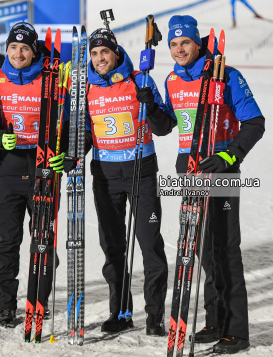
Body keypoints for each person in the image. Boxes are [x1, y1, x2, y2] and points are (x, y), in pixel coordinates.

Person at [160, 15, 265, 353]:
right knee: (202, 249)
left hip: (221, 174)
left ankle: (237, 331)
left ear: (197, 43)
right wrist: (150, 108)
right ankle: (215, 319)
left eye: (185, 43)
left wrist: (229, 157)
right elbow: (169, 125)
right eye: (174, 45)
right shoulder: (172, 81)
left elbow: (255, 123)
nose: (179, 49)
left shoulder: (226, 75)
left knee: (225, 248)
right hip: (190, 174)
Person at [85, 28, 174, 335]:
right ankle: (120, 311)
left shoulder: (140, 80)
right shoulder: (86, 88)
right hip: (105, 176)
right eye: (94, 54)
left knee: (149, 245)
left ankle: (155, 317)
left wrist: (148, 104)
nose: (99, 59)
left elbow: (164, 128)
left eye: (104, 52)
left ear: (116, 53)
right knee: (112, 247)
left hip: (141, 173)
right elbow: (85, 133)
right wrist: (72, 155)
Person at [0, 22, 67, 327]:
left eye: (24, 48)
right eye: (13, 47)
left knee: (43, 238)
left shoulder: (52, 80)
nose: (18, 53)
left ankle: (39, 299)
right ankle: (6, 306)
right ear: (6, 49)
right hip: (8, 171)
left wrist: (65, 154)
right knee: (7, 241)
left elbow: (70, 118)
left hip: (42, 168)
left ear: (34, 53)